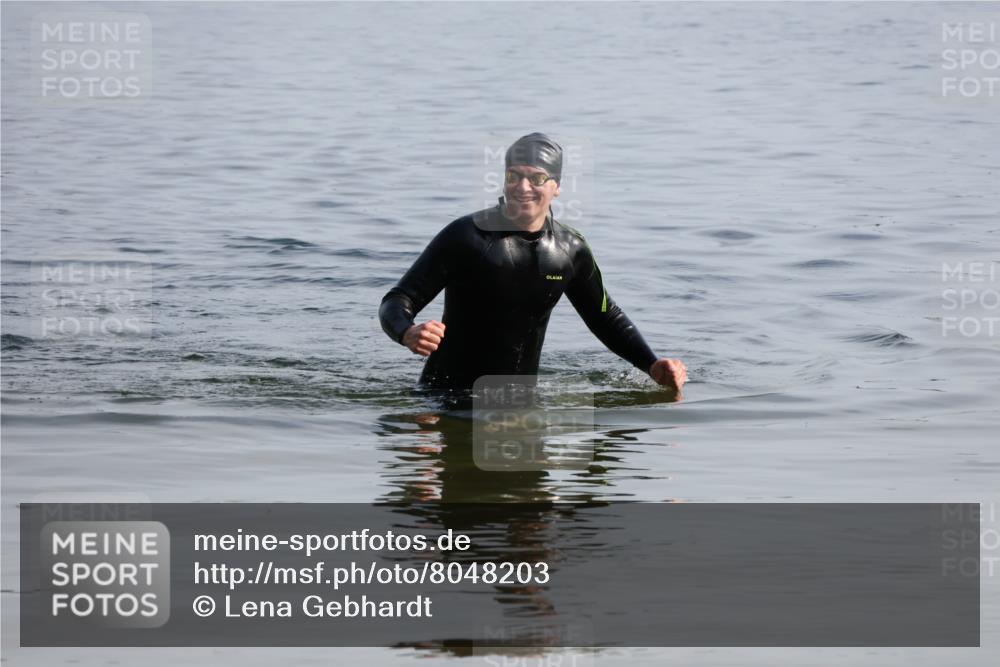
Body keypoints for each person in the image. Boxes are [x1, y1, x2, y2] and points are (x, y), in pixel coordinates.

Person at [379, 133, 687, 393]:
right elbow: (398, 300)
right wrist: (407, 332)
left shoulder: (569, 249)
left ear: (556, 186)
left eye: (536, 178)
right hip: (445, 396)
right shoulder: (467, 237)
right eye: (514, 176)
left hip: (519, 404)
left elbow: (605, 316)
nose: (522, 187)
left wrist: (652, 364)